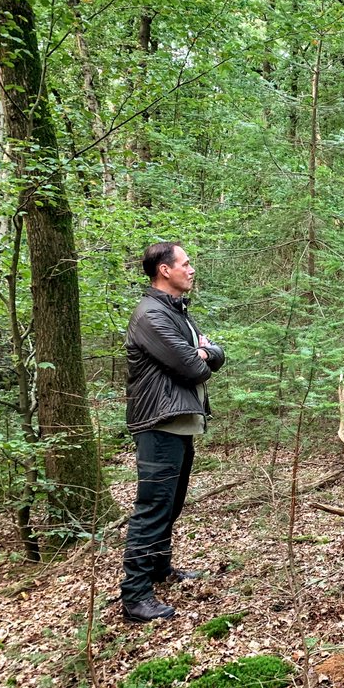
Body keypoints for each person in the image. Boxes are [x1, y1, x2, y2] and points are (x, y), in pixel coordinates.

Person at [120, 242, 225, 623]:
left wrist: (205, 351)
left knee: (171, 503)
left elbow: (215, 353)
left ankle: (159, 568)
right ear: (165, 270)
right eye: (185, 263)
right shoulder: (150, 315)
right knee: (152, 507)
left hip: (180, 421)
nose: (191, 269)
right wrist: (200, 354)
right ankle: (134, 596)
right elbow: (194, 367)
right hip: (158, 423)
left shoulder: (177, 312)